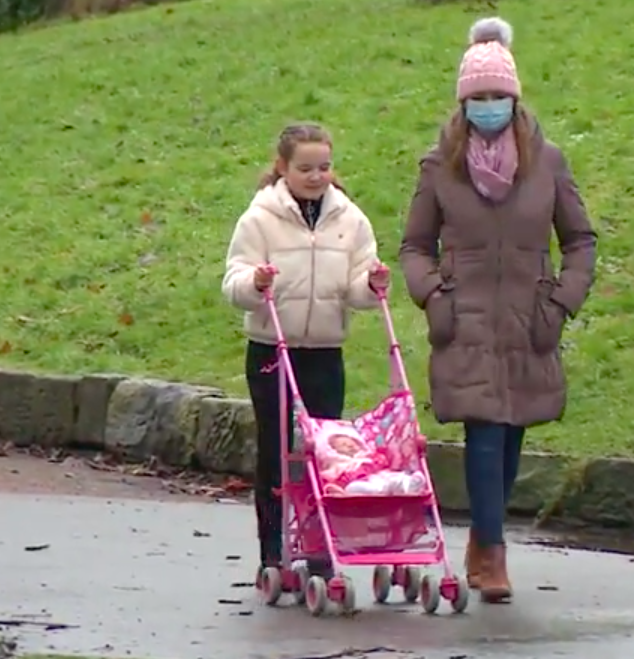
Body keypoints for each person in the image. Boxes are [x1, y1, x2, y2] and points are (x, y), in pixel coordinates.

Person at [398, 17, 598, 603]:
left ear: (515, 98)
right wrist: (434, 295)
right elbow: (414, 246)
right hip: (465, 321)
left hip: (529, 319)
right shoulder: (439, 166)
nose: (489, 107)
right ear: (463, 104)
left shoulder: (549, 163)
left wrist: (563, 299)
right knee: (485, 432)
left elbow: (580, 240)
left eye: (498, 97)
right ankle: (496, 554)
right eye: (478, 98)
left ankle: (483, 546)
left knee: (511, 438)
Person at [222, 122, 391, 581]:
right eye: (305, 168)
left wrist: (371, 284)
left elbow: (356, 288)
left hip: (323, 349)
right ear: (282, 167)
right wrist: (255, 283)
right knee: (276, 452)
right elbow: (233, 282)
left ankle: (318, 546)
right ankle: (273, 551)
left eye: (324, 167)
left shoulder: (349, 219)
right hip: (271, 348)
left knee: (324, 453)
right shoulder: (259, 218)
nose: (317, 177)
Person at [313, 423, 427, 496]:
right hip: (357, 485)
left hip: (377, 477)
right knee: (353, 488)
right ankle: (389, 489)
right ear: (333, 450)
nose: (349, 445)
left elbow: (382, 462)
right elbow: (328, 480)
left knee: (394, 475)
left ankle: (408, 484)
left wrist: (375, 459)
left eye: (352, 443)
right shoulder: (336, 464)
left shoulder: (368, 456)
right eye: (343, 445)